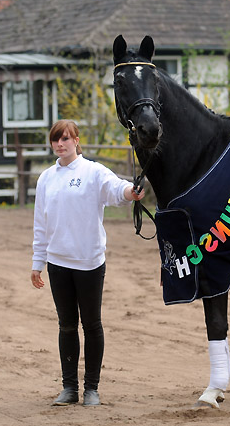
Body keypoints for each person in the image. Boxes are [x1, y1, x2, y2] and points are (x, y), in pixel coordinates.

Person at [30, 119, 145, 406]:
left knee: (91, 324)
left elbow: (115, 189)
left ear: (76, 140)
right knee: (66, 325)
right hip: (58, 262)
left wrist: (131, 192)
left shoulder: (93, 172)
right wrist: (37, 261)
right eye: (56, 140)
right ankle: (69, 387)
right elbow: (40, 224)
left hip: (89, 262)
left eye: (66, 139)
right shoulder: (46, 178)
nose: (60, 144)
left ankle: (91, 388)